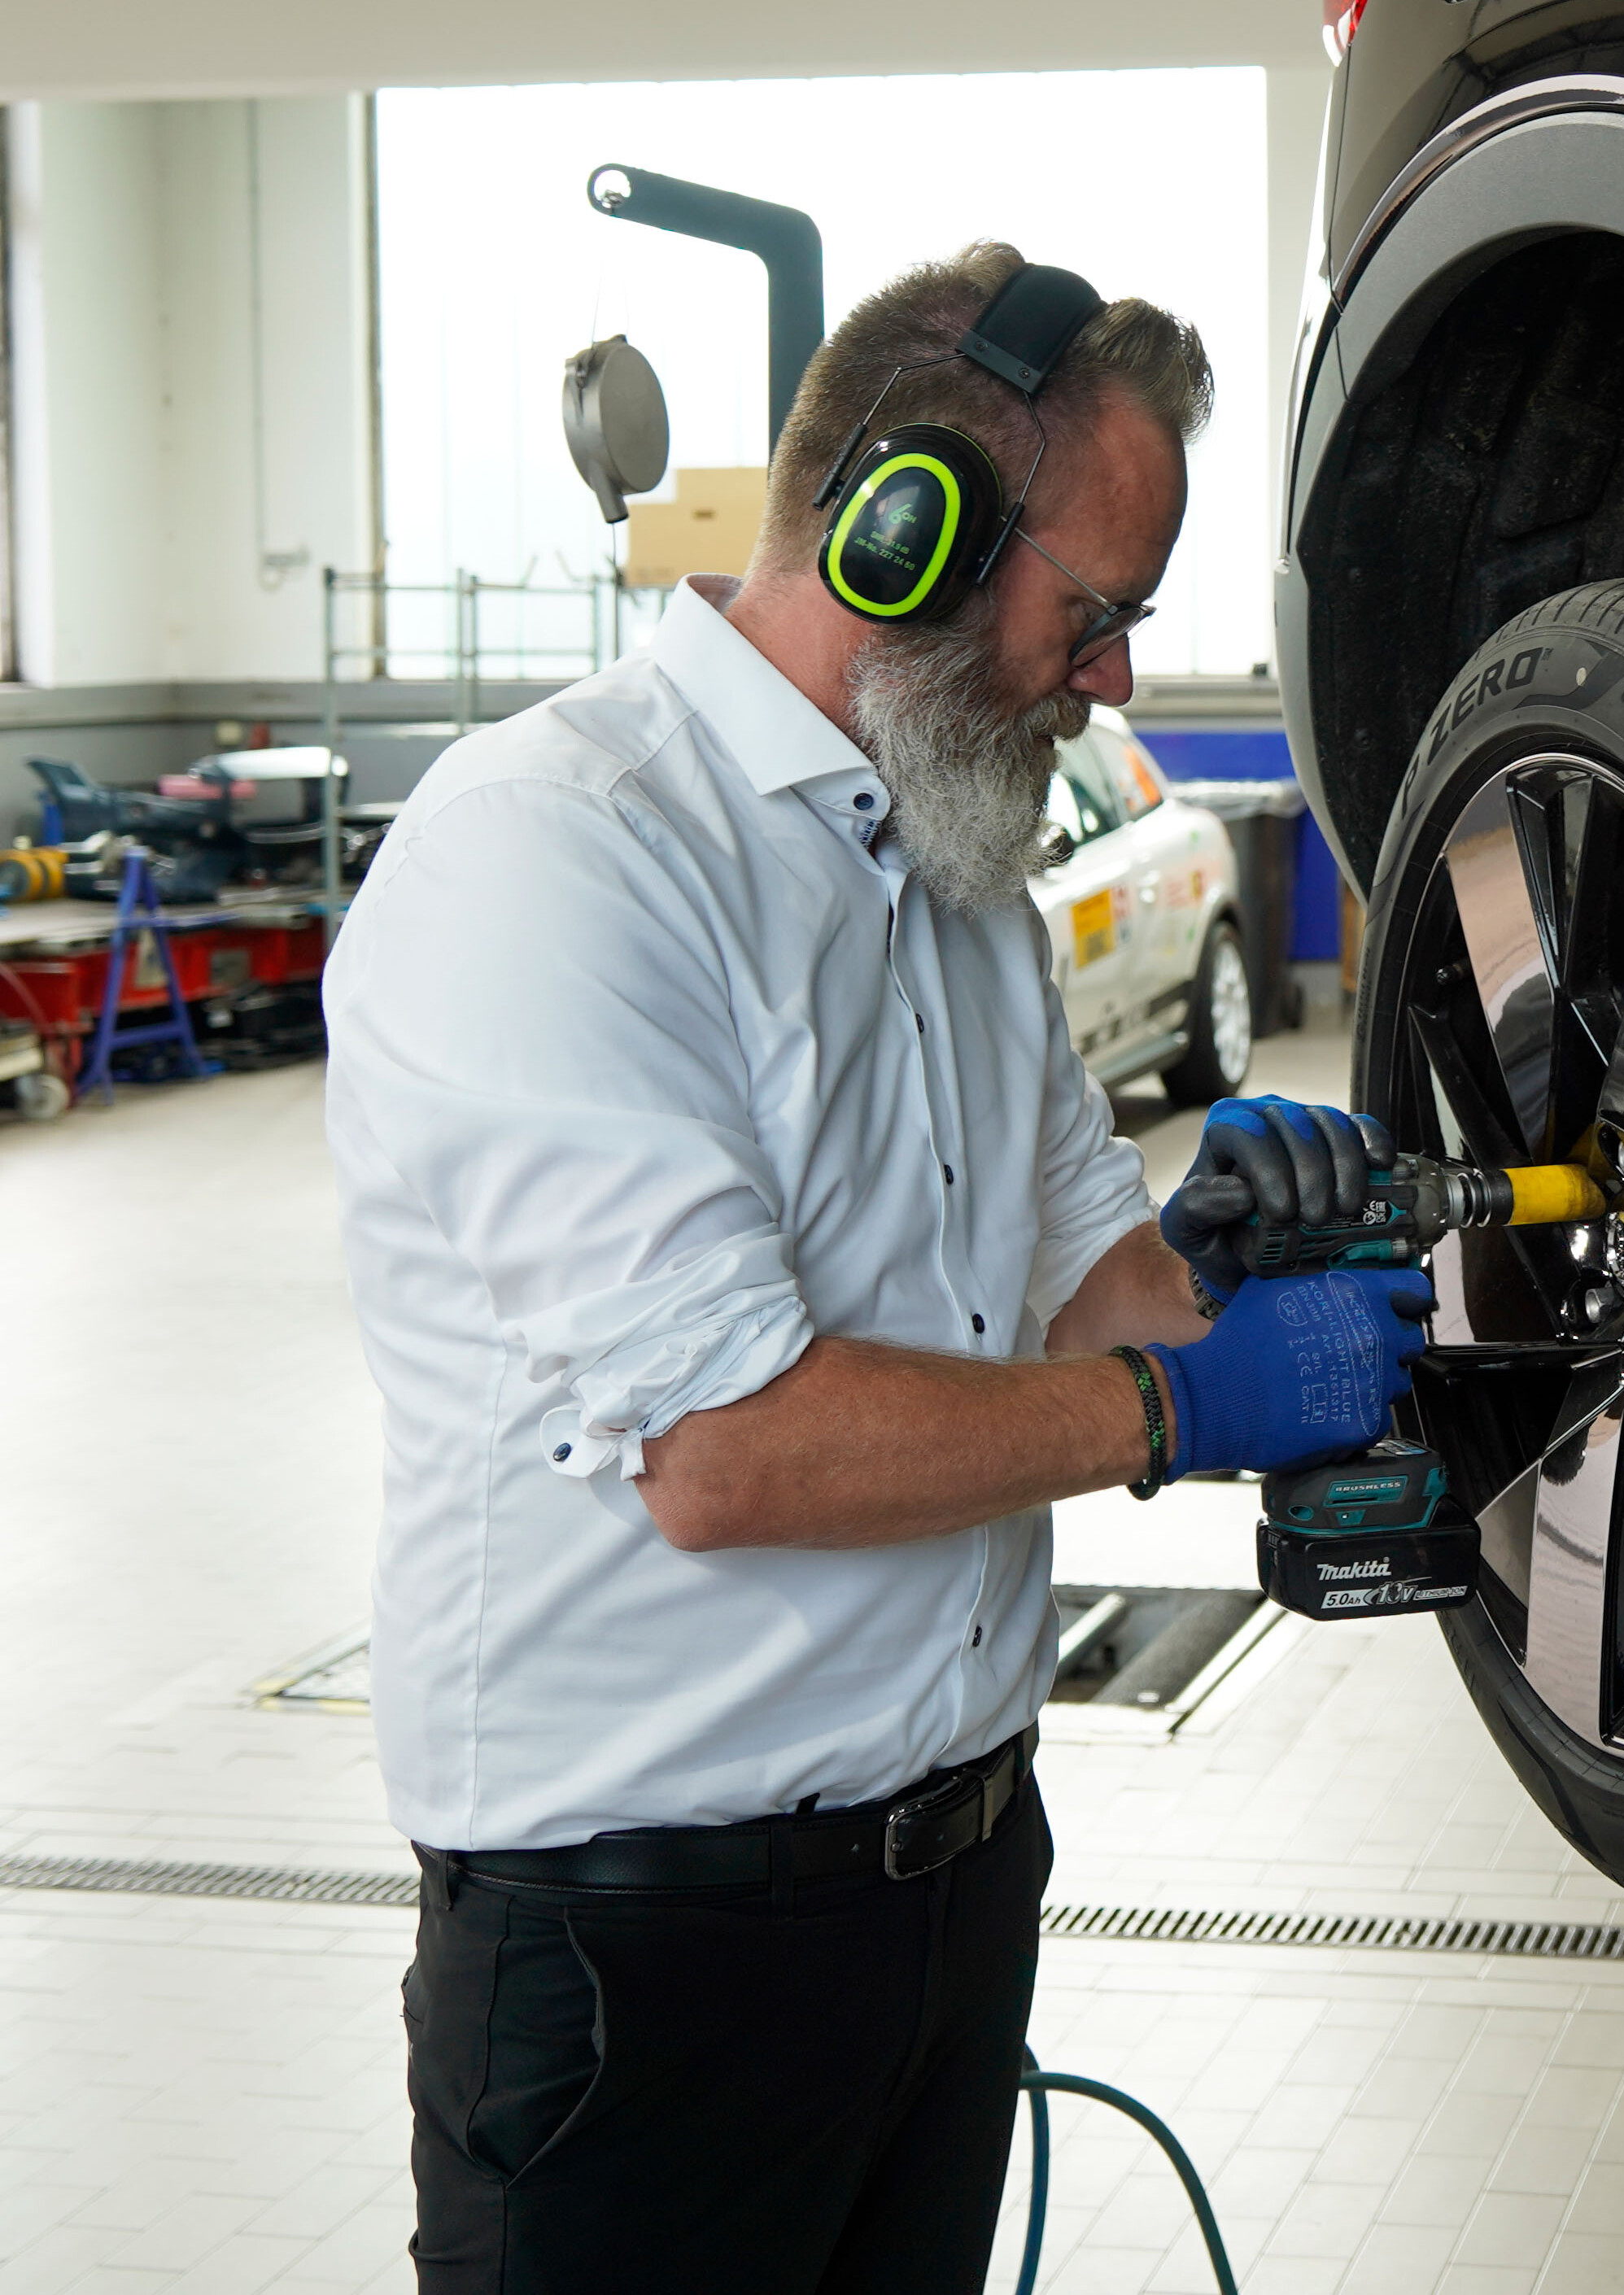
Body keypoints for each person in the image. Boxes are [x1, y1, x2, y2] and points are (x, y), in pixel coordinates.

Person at [323, 243, 1425, 2293]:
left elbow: (1093, 1284)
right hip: (643, 1961)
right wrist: (1177, 1404)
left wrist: (1245, 1273)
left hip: (955, 1890)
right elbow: (729, 1449)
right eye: (1094, 612)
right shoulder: (559, 851)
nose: (1113, 681)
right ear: (905, 532)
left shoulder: (961, 879)